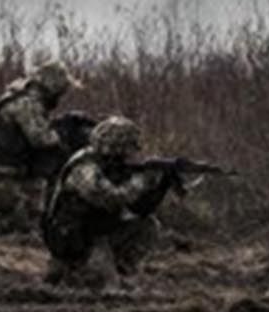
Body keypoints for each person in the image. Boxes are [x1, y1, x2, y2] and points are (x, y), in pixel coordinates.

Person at [39, 115, 178, 286]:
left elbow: (138, 208)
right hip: (73, 237)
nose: (132, 154)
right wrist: (140, 181)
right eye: (128, 148)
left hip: (95, 231)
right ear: (117, 147)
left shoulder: (111, 166)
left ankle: (119, 267)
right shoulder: (85, 167)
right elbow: (111, 198)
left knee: (147, 225)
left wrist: (160, 186)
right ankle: (75, 269)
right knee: (103, 287)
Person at [0, 60, 85, 233]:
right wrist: (64, 134)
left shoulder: (25, 98)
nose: (60, 97)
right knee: (14, 223)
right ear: (51, 87)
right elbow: (40, 139)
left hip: (17, 171)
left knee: (35, 219)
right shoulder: (26, 103)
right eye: (60, 92)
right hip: (4, 174)